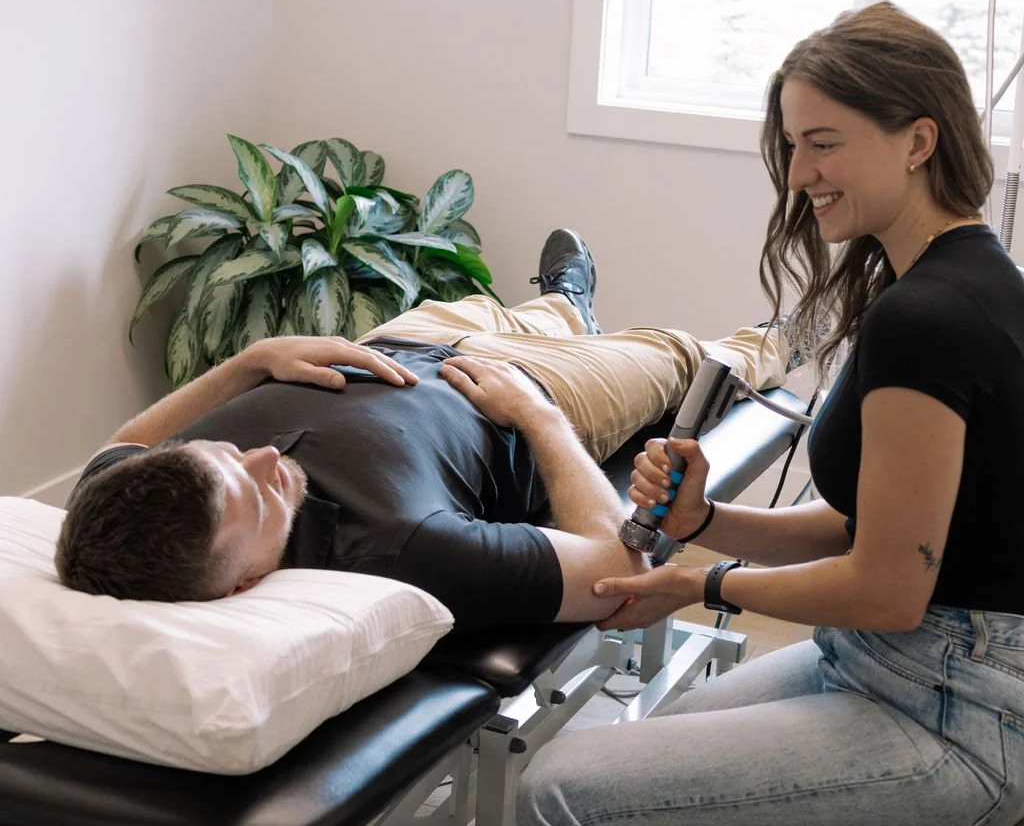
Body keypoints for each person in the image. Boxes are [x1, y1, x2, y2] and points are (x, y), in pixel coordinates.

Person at [428, 2, 1024, 826]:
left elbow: (886, 583)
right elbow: (880, 532)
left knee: (568, 801)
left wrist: (699, 581)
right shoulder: (969, 276)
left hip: (949, 715)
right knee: (645, 758)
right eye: (791, 146)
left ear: (917, 139)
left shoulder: (925, 317)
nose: (798, 175)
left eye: (823, 143)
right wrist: (711, 522)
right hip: (929, 672)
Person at [55, 230, 785, 630]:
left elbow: (120, 446)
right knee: (683, 351)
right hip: (535, 394)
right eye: (256, 496)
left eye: (226, 453)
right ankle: (780, 338)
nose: (264, 458)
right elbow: (619, 571)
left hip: (398, 343)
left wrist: (253, 361)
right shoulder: (400, 550)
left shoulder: (118, 503)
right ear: (243, 579)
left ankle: (565, 309)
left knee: (486, 306)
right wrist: (536, 414)